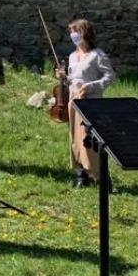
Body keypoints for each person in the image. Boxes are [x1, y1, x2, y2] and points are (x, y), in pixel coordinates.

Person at [54, 18, 114, 188]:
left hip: (91, 102)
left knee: (90, 140)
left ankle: (101, 176)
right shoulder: (72, 56)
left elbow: (110, 77)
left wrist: (90, 87)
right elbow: (73, 80)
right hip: (74, 102)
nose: (72, 35)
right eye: (71, 32)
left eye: (75, 31)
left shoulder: (97, 55)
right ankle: (82, 175)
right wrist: (64, 78)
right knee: (75, 139)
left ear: (84, 33)